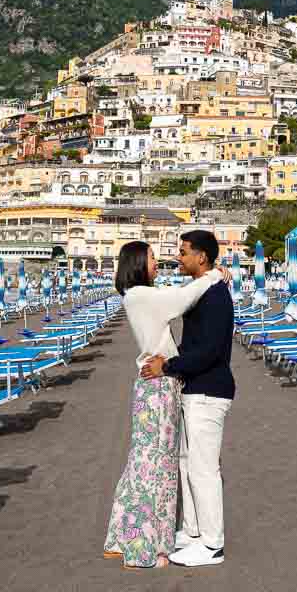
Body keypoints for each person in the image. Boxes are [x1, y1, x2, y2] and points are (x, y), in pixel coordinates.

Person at [103, 241, 229, 569]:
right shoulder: (141, 295)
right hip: (158, 387)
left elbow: (178, 300)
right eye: (153, 258)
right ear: (137, 263)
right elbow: (180, 299)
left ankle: (132, 537)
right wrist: (214, 275)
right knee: (155, 465)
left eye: (177, 254)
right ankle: (147, 544)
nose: (161, 262)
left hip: (160, 385)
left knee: (150, 463)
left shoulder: (140, 295)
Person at [140, 230, 235, 567]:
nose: (178, 258)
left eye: (183, 252)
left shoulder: (215, 296)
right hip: (196, 389)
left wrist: (168, 366)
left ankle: (213, 545)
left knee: (204, 469)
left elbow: (208, 351)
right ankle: (194, 532)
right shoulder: (205, 289)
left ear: (202, 258)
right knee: (188, 464)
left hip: (209, 392)